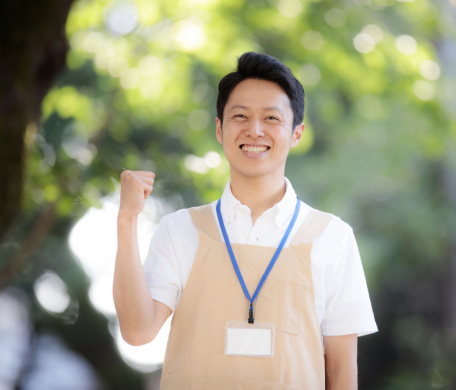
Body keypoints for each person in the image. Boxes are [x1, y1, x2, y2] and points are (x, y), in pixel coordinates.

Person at [114, 52, 377, 389]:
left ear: (297, 133)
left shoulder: (333, 237)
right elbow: (137, 331)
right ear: (220, 129)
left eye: (271, 118)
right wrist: (126, 220)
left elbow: (340, 369)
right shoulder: (179, 231)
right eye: (240, 116)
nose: (254, 130)